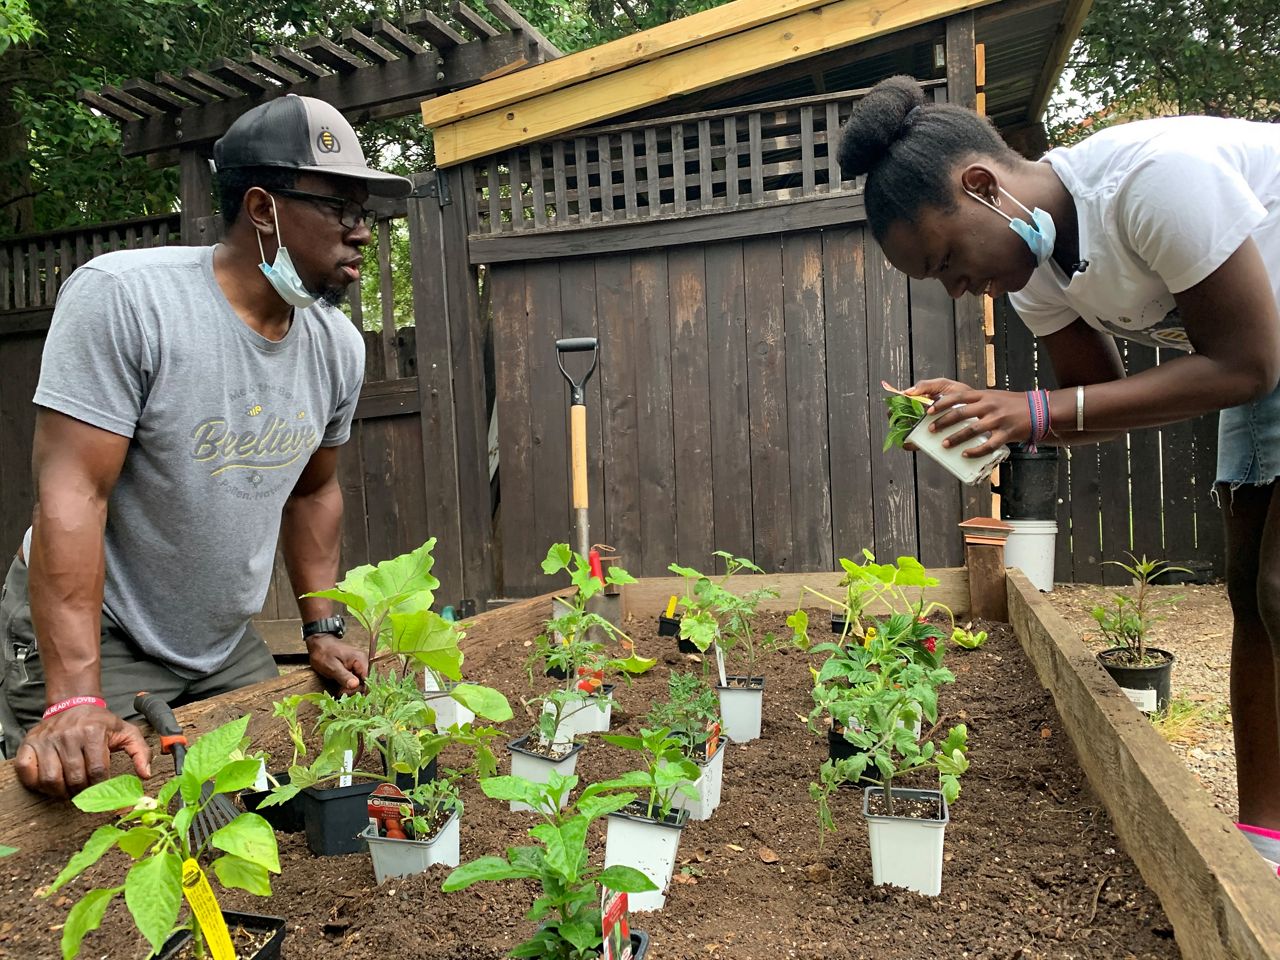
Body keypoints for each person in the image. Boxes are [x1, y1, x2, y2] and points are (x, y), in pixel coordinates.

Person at [837, 76, 1280, 873]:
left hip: (1261, 353)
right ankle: (1264, 847)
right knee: (1251, 592)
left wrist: (1031, 411)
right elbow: (1094, 407)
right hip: (1263, 363)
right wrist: (983, 421)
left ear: (982, 186)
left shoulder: (1153, 179)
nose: (956, 287)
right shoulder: (1036, 271)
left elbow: (1244, 362)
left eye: (946, 260)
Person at [0, 94, 412, 799]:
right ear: (262, 209)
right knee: (100, 822)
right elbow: (73, 493)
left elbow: (314, 491)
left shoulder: (337, 347)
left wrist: (324, 627)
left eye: (365, 214)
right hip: (102, 632)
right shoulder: (127, 300)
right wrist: (73, 700)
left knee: (276, 801)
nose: (362, 234)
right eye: (341, 209)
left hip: (220, 644)